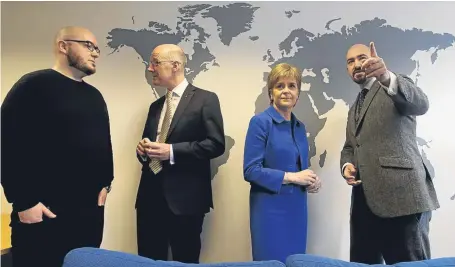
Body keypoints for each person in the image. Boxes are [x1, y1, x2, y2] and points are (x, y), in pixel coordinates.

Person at [1, 26, 114, 267]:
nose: (95, 53)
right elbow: (7, 142)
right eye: (88, 46)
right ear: (63, 46)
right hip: (44, 213)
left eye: (97, 49)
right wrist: (24, 201)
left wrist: (107, 183)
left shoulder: (94, 95)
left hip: (88, 216)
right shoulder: (33, 85)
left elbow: (104, 145)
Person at [340, 42, 439, 264]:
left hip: (402, 199)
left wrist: (386, 76)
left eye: (361, 58)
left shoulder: (393, 85)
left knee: (409, 263)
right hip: (364, 205)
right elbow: (350, 146)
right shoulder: (353, 108)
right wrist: (346, 166)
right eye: (350, 61)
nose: (356, 64)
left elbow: (421, 104)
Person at [135, 44, 225, 263]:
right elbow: (149, 149)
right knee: (147, 261)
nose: (150, 68)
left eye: (155, 62)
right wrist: (143, 151)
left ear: (175, 65)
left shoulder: (206, 99)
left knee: (185, 261)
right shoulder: (155, 106)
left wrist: (172, 151)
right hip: (149, 199)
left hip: (186, 202)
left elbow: (216, 144)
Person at [243, 63, 322, 263]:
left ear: (298, 93)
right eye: (280, 86)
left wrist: (311, 181)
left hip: (297, 209)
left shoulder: (299, 126)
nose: (286, 91)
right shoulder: (260, 122)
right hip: (270, 210)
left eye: (292, 86)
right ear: (271, 93)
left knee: (296, 262)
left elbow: (298, 168)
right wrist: (294, 177)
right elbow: (251, 171)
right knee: (271, 262)